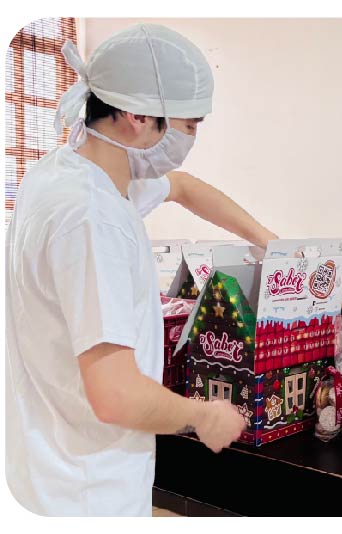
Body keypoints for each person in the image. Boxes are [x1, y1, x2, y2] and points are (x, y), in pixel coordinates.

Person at [5, 23, 277, 517]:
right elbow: (116, 394)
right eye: (190, 125)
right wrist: (203, 416)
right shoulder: (92, 218)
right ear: (137, 115)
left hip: (48, 468)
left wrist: (271, 243)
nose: (191, 139)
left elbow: (184, 187)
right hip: (85, 492)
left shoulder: (69, 173)